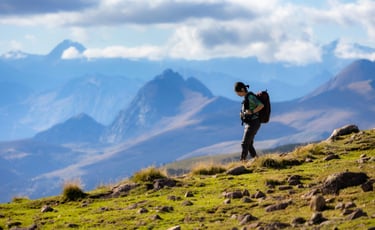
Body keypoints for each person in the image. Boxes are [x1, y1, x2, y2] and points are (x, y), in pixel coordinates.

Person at [234, 82, 264, 161]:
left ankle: (242, 162)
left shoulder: (250, 97)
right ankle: (257, 160)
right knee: (249, 144)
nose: (237, 94)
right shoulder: (246, 97)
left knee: (244, 143)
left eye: (238, 93)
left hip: (253, 123)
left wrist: (252, 111)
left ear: (242, 89)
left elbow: (261, 105)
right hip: (250, 123)